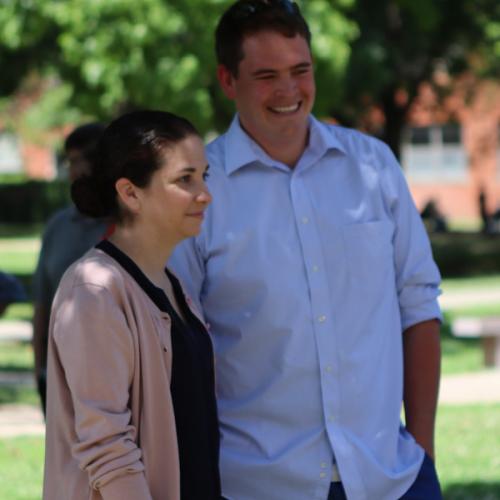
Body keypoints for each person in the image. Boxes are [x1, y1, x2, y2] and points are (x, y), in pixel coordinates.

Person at [169, 1, 442, 499]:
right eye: (267, 75)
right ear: (228, 81)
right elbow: (175, 346)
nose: (289, 91)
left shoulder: (373, 167)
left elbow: (418, 307)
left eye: (301, 70)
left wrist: (423, 449)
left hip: (391, 477)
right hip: (257, 485)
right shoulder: (197, 194)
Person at [43, 110, 220, 500]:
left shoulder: (170, 281)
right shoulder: (94, 290)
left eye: (204, 176)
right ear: (130, 193)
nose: (205, 193)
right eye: (184, 179)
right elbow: (107, 447)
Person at [32, 122, 107, 414]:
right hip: (61, 376)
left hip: (115, 378)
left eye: (85, 159)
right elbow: (42, 305)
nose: (77, 170)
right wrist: (40, 371)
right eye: (72, 161)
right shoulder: (57, 228)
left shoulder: (131, 225)